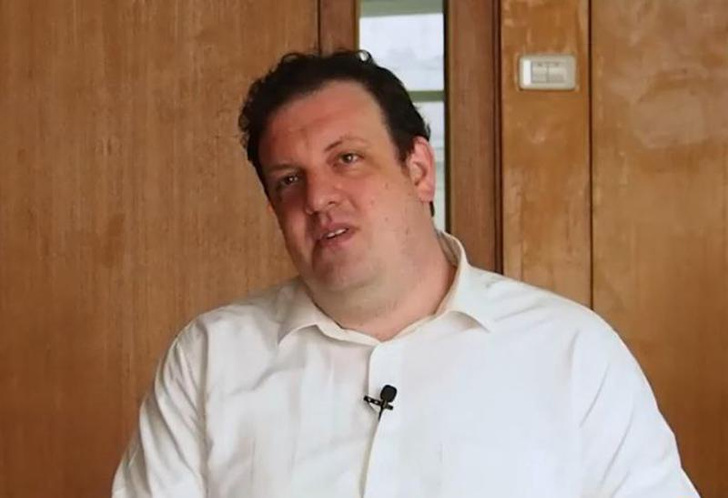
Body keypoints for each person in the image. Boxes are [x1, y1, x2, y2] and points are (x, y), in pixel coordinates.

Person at [112, 51, 698, 497]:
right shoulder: (210, 358)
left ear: (418, 170)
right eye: (289, 180)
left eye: (347, 159)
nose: (318, 198)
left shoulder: (571, 351)